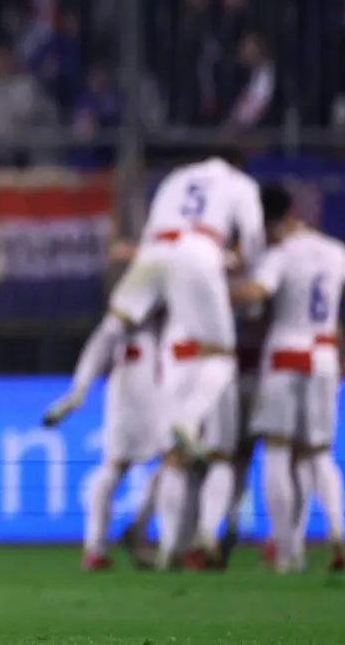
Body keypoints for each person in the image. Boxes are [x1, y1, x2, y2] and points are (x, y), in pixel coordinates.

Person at [101, 151, 264, 569]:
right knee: (223, 453)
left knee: (174, 457)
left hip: (174, 347)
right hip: (210, 341)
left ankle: (168, 550)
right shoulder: (239, 187)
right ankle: (207, 538)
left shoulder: (173, 180)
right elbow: (254, 244)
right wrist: (240, 272)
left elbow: (154, 248)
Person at [231, 184, 345, 574]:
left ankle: (287, 553)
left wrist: (218, 287)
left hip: (286, 353)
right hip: (324, 354)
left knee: (276, 450)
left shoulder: (280, 255)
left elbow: (256, 291)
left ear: (273, 224)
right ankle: (338, 530)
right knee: (319, 452)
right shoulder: (335, 250)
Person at [43, 305, 165, 571]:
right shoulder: (140, 302)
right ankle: (126, 533)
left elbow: (102, 341)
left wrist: (80, 389)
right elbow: (103, 340)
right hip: (147, 385)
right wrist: (80, 389)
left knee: (121, 466)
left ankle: (98, 546)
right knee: (172, 462)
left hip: (132, 383)